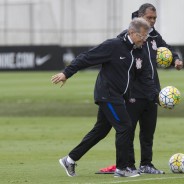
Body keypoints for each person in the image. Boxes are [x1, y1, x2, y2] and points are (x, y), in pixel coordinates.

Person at [51, 17, 157, 178]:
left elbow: (145, 78)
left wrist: (156, 96)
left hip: (119, 97)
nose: (144, 40)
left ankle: (70, 159)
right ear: (131, 32)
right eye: (142, 36)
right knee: (125, 126)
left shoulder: (140, 51)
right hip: (107, 94)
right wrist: (66, 73)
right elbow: (86, 58)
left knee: (100, 130)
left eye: (146, 37)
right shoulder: (113, 46)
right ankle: (122, 169)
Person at [117, 3, 184, 174]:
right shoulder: (127, 36)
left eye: (154, 18)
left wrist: (175, 59)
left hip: (152, 91)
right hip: (132, 92)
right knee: (129, 131)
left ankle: (146, 164)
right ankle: (129, 165)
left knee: (148, 133)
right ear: (140, 16)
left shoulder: (154, 36)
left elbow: (167, 49)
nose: (153, 21)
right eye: (149, 18)